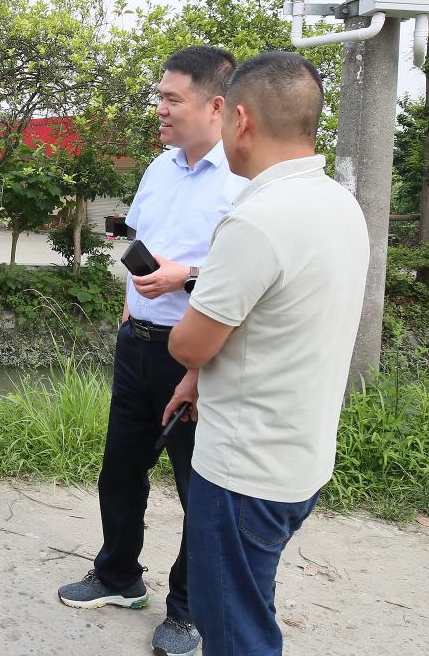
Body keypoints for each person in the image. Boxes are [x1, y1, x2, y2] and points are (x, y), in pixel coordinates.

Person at [164, 52, 369, 655]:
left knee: (234, 631)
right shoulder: (339, 204)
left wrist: (190, 360)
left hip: (243, 470)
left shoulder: (255, 221)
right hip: (299, 459)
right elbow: (284, 322)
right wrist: (199, 379)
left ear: (241, 120)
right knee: (251, 604)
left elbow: (188, 342)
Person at [58, 46, 246, 656]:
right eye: (159, 97)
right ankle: (118, 575)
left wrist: (184, 276)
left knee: (198, 487)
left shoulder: (243, 179)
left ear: (215, 105)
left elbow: (249, 275)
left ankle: (188, 610)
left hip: (197, 356)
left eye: (172, 99)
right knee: (120, 469)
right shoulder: (160, 168)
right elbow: (139, 243)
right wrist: (130, 312)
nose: (160, 108)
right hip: (137, 344)